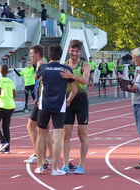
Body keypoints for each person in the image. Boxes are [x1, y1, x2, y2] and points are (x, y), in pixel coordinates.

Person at [35, 44, 77, 175]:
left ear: (49, 55)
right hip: (59, 105)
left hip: (44, 105)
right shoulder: (66, 69)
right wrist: (68, 101)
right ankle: (55, 169)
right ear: (61, 55)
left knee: (41, 135)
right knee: (58, 137)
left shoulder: (43, 67)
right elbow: (74, 90)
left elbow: (36, 78)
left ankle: (39, 166)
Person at [60, 40, 91, 174]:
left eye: (77, 51)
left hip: (81, 102)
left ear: (80, 52)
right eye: (72, 51)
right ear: (68, 50)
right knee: (66, 134)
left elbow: (85, 80)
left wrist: (72, 75)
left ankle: (81, 165)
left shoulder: (85, 65)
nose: (74, 53)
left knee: (82, 134)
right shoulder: (63, 65)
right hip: (67, 102)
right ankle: (65, 164)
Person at [24, 45, 53, 171]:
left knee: (32, 127)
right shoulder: (41, 64)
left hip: (42, 100)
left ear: (37, 54)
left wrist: (39, 98)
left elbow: (44, 83)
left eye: (31, 53)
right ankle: (48, 155)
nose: (30, 55)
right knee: (44, 129)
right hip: (40, 99)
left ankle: (40, 155)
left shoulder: (41, 64)